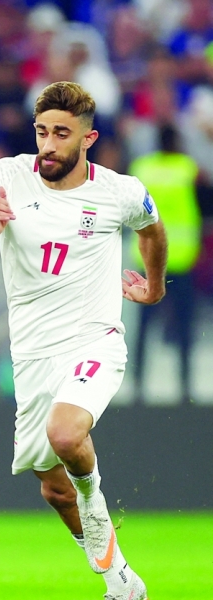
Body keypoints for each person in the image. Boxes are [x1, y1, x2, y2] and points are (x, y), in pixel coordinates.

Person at [0, 81, 167, 600]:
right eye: (42, 132)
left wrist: (155, 286)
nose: (48, 144)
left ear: (88, 138)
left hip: (95, 337)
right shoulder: (6, 175)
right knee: (52, 486)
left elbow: (154, 230)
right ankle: (120, 580)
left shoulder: (119, 191)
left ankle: (94, 500)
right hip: (33, 354)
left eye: (61, 134)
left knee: (68, 435)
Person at [128, 125, 202, 403]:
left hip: (147, 258)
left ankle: (137, 387)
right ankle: (185, 387)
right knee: (184, 326)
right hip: (181, 258)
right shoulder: (187, 168)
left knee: (144, 327)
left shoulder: (142, 168)